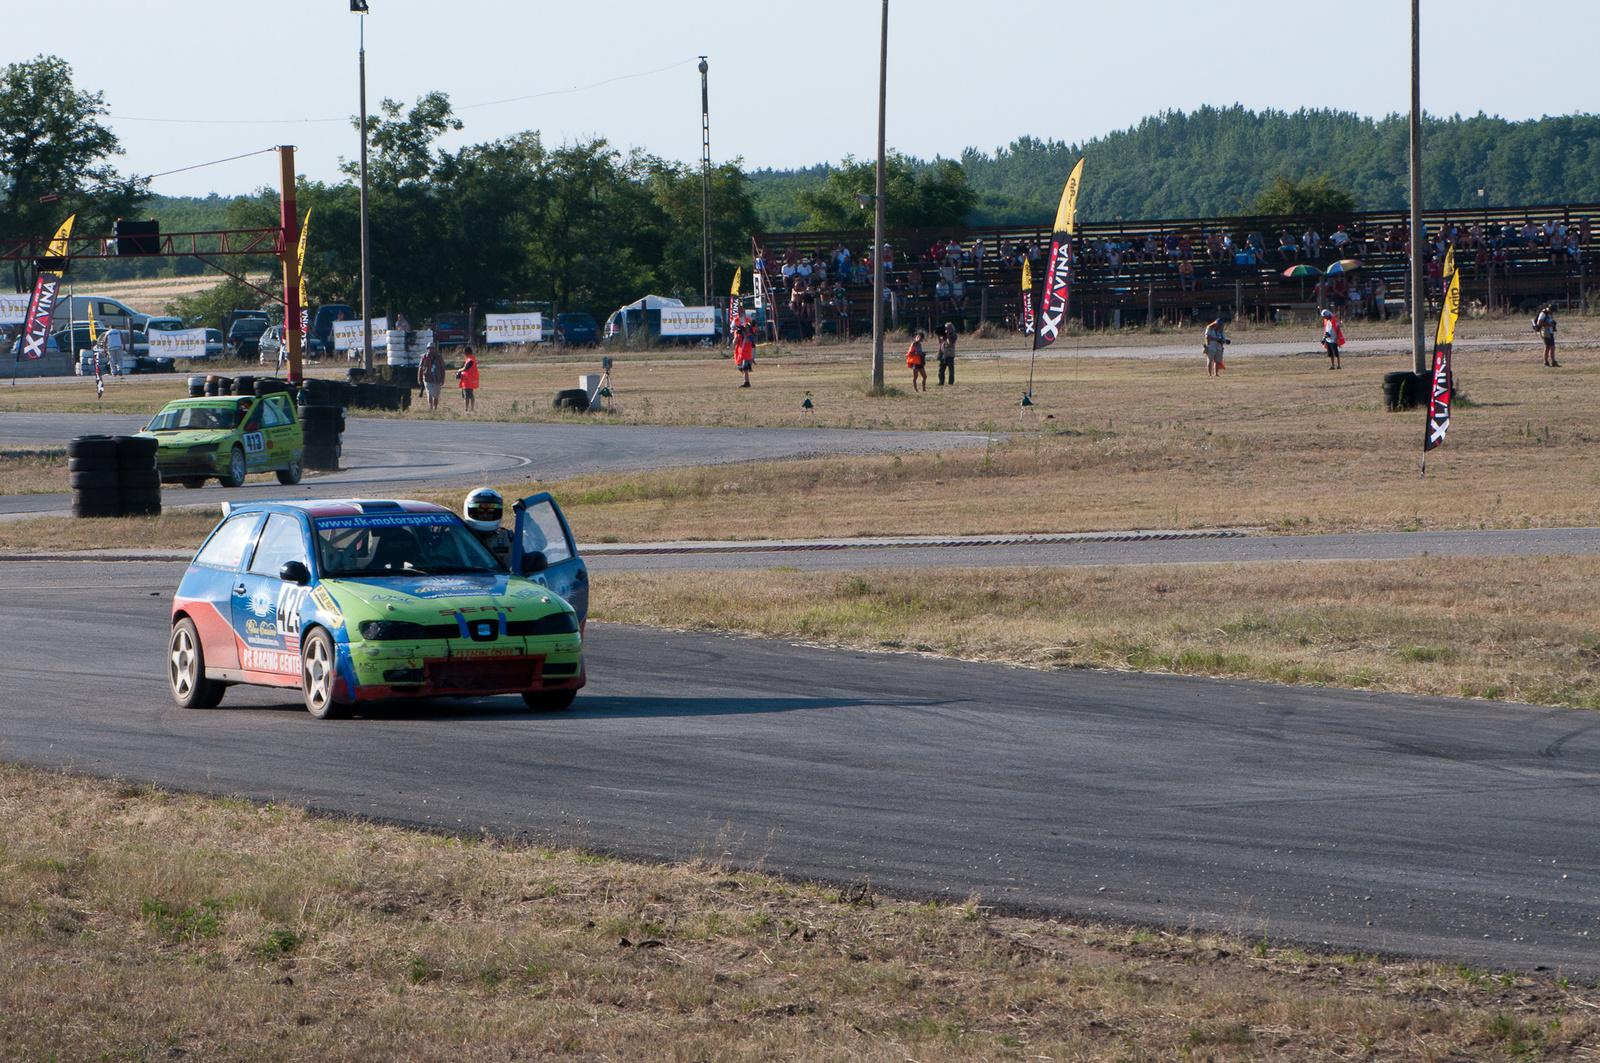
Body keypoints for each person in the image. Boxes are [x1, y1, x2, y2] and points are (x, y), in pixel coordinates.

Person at [462, 488, 513, 569]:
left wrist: (528, 519)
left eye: (491, 510)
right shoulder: (457, 538)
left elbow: (535, 545)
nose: (485, 515)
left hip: (501, 580)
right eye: (480, 511)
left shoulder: (507, 538)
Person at [417, 342, 444, 410]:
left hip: (437, 379)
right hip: (427, 378)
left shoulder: (439, 357)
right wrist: (419, 379)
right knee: (430, 393)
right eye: (430, 348)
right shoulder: (424, 357)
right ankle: (430, 407)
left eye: (433, 348)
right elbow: (420, 368)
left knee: (436, 394)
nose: (431, 350)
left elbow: (442, 368)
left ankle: (435, 408)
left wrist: (443, 378)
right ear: (427, 349)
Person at [733, 322, 755, 386]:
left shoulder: (749, 335)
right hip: (740, 354)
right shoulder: (740, 335)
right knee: (741, 368)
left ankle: (746, 382)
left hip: (746, 354)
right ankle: (746, 381)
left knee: (745, 368)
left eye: (747, 328)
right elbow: (734, 343)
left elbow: (748, 341)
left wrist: (745, 334)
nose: (745, 329)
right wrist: (737, 334)